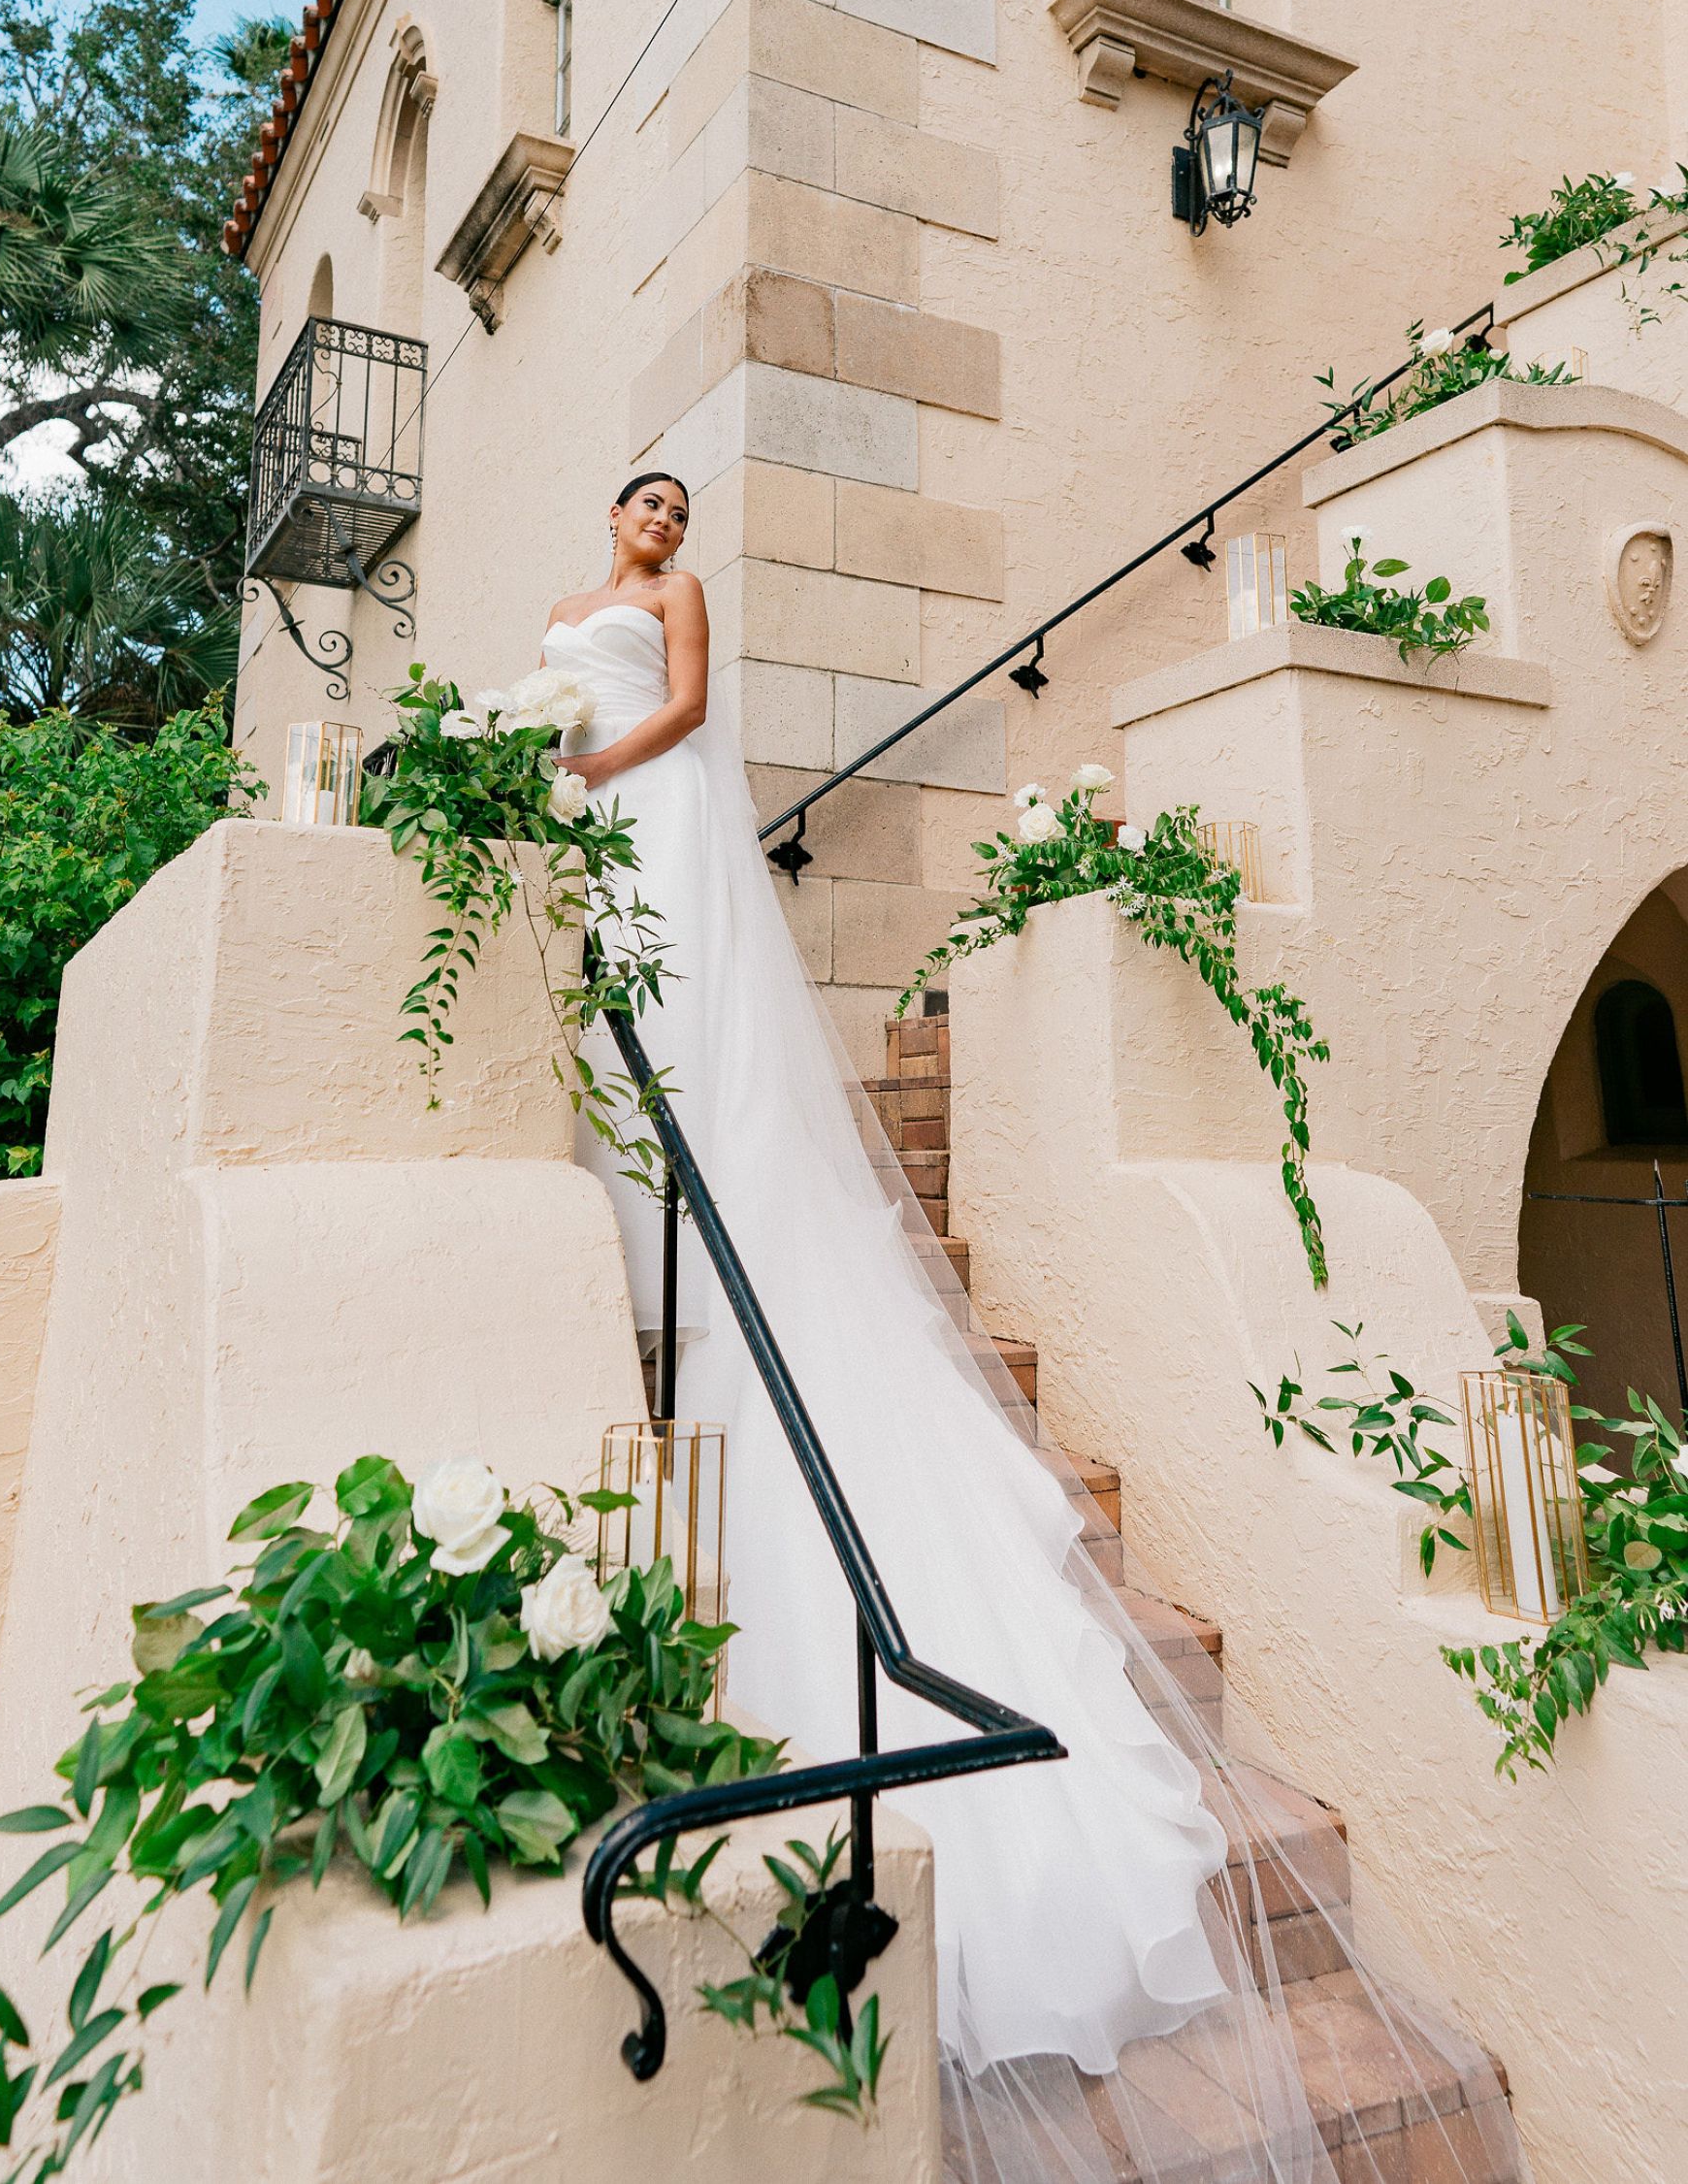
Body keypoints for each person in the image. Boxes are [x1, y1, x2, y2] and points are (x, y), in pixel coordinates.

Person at [542, 472, 1527, 2183]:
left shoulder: (684, 611)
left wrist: (582, 772)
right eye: (641, 505)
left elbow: (688, 711)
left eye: (674, 511)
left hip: (641, 808)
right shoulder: (568, 602)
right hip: (600, 830)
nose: (656, 525)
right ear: (609, 517)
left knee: (692, 1030)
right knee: (632, 1030)